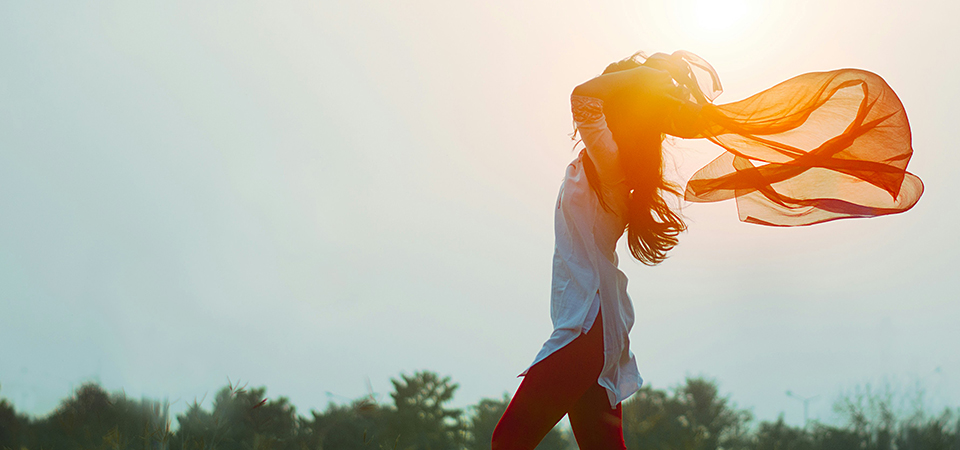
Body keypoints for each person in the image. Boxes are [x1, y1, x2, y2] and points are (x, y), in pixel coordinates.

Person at [491, 50, 922, 450]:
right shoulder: (613, 163)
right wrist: (648, 78)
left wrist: (647, 77)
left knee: (507, 442)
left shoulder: (610, 161)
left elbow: (583, 96)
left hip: (587, 326)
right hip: (594, 327)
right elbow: (593, 97)